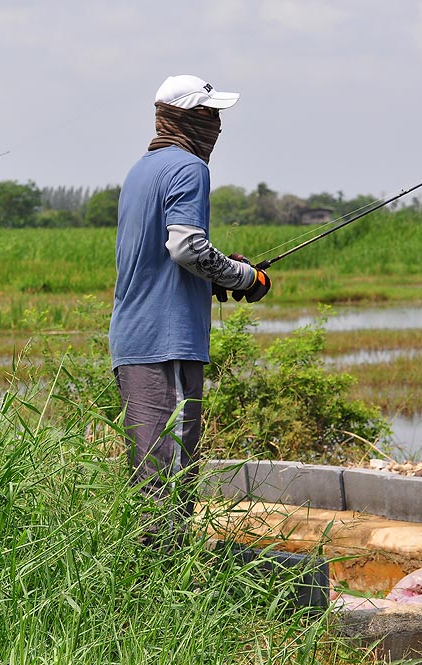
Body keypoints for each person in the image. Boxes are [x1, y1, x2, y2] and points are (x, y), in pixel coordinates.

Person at [108, 75, 271, 547]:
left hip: (134, 339)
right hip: (168, 341)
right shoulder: (188, 169)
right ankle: (162, 596)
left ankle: (141, 593)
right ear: (186, 118)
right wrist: (245, 278)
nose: (217, 125)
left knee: (147, 475)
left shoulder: (142, 170)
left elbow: (166, 256)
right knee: (171, 479)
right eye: (210, 114)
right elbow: (185, 247)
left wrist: (216, 275)